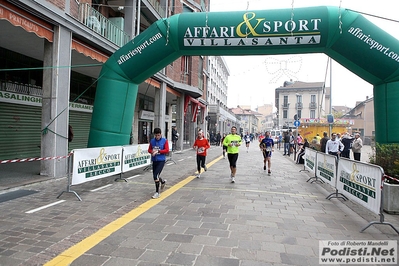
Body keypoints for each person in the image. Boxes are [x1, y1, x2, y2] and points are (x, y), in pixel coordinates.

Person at [148, 128, 169, 199]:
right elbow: (149, 149)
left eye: (158, 135)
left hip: (161, 160)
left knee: (155, 175)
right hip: (154, 160)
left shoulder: (164, 141)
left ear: (161, 134)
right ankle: (162, 181)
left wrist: (158, 151)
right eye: (156, 135)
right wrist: (152, 152)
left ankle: (157, 192)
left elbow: (166, 150)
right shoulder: (152, 141)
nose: (157, 137)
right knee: (155, 175)